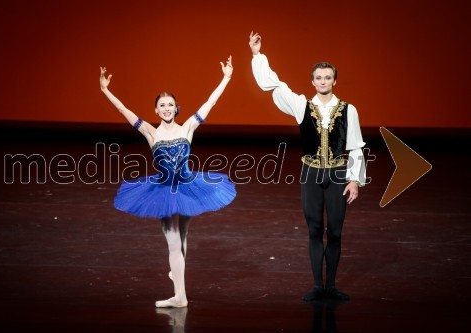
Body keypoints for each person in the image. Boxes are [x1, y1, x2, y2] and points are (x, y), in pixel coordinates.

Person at [99, 56, 236, 308]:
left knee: (181, 236)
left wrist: (226, 77)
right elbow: (123, 111)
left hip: (188, 187)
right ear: (156, 110)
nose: (166, 108)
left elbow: (210, 102)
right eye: (162, 105)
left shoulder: (188, 128)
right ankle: (179, 287)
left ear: (176, 108)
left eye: (170, 104)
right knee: (175, 240)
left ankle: (179, 292)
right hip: (162, 190)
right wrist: (105, 90)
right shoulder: (151, 132)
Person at [248, 32, 366, 301]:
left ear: (335, 80)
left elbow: (356, 146)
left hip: (337, 173)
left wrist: (354, 180)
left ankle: (332, 286)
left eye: (328, 77)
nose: (323, 81)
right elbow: (275, 85)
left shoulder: (349, 110)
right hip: (311, 172)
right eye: (319, 77)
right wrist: (257, 55)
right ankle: (317, 285)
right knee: (314, 229)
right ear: (312, 81)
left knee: (335, 230)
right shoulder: (302, 105)